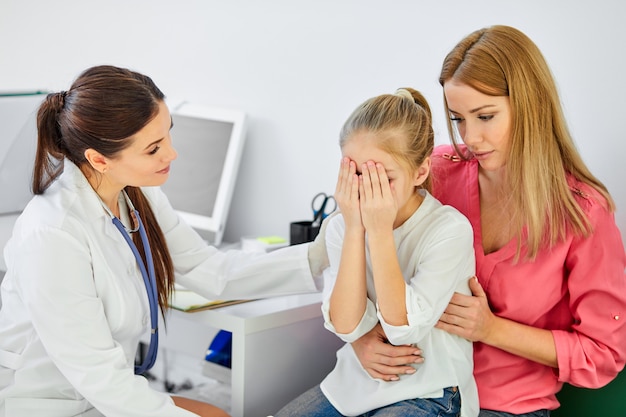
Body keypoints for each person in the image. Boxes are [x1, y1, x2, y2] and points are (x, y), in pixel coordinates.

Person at [0, 65, 328, 417]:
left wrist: (324, 253)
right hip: (50, 405)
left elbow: (209, 269)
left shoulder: (135, 195)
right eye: (154, 148)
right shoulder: (52, 234)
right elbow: (100, 377)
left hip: (102, 396)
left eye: (168, 135)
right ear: (99, 159)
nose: (171, 154)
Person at [349, 25, 626, 417]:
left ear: (531, 105)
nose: (471, 137)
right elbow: (357, 254)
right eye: (458, 118)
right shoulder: (436, 173)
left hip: (505, 407)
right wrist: (360, 338)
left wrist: (491, 329)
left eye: (485, 116)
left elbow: (603, 353)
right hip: (411, 388)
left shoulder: (583, 212)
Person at [275, 88, 479, 417]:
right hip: (354, 385)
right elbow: (347, 326)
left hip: (430, 392)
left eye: (382, 179)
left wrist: (380, 231)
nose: (367, 190)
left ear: (420, 172)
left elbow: (405, 330)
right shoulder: (343, 224)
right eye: (356, 175)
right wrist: (355, 229)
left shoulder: (449, 230)